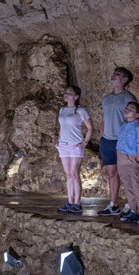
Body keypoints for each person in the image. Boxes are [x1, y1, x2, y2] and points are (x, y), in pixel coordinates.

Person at [95, 67, 139, 214]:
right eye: (113, 73)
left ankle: (132, 206)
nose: (113, 76)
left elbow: (133, 119)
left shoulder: (129, 97)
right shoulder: (106, 98)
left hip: (122, 141)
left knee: (127, 173)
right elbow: (104, 116)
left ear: (125, 80)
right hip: (107, 139)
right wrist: (102, 134)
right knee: (112, 172)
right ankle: (113, 204)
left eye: (118, 74)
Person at [54, 85, 92, 214]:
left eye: (70, 93)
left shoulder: (81, 110)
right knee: (68, 174)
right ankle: (70, 201)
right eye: (66, 92)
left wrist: (84, 142)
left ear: (76, 97)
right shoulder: (62, 110)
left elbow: (90, 128)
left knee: (74, 173)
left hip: (75, 144)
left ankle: (77, 203)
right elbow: (62, 127)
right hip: (63, 145)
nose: (66, 94)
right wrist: (58, 140)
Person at [114, 103, 139, 223]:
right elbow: (119, 142)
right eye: (127, 107)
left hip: (133, 158)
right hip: (122, 159)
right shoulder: (122, 126)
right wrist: (119, 156)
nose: (127, 109)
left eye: (131, 109)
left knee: (136, 186)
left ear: (137, 115)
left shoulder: (138, 128)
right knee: (128, 186)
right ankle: (133, 210)